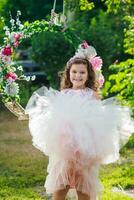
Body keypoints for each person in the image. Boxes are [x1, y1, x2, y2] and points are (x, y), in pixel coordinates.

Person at [25, 41, 133, 200]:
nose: (77, 75)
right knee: (61, 184)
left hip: (85, 150)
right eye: (74, 72)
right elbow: (56, 117)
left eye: (82, 72)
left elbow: (97, 120)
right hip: (65, 151)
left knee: (84, 187)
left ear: (89, 75)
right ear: (68, 74)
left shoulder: (92, 95)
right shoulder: (64, 93)